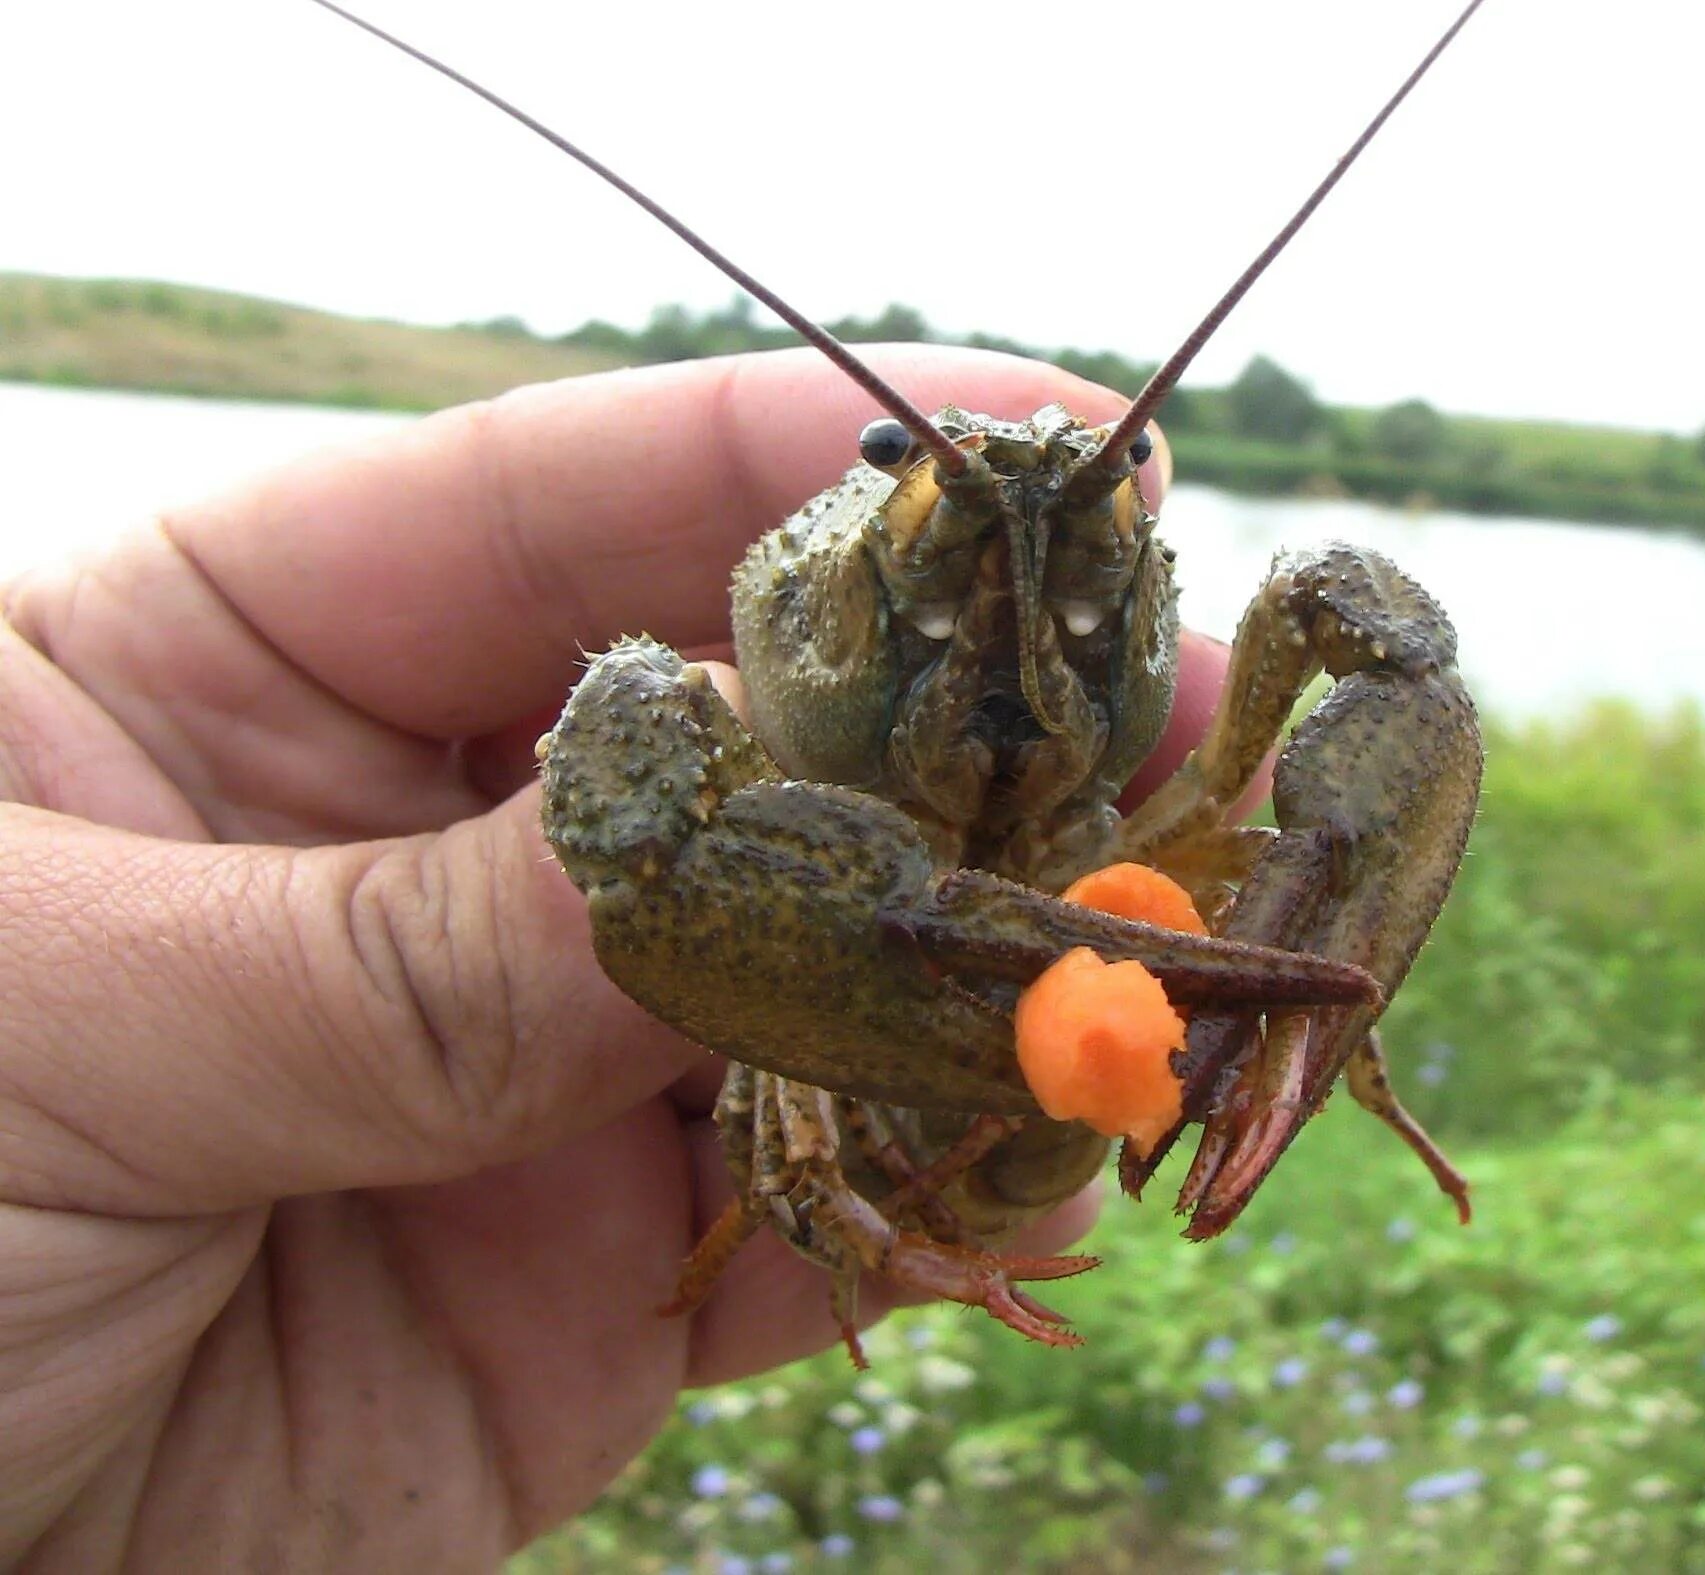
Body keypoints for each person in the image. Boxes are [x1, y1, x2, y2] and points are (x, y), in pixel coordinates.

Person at [0, 347, 1244, 1568]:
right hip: (840, 1044)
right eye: (898, 460)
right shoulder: (732, 752)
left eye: (1118, 474)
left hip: (1009, 1081)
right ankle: (855, 1204)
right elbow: (651, 800)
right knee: (648, 697)